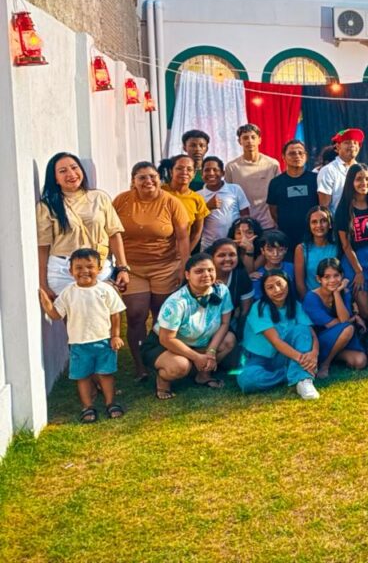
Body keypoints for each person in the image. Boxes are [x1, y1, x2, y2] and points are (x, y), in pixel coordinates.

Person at [113, 161, 191, 380]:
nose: (148, 181)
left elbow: (183, 238)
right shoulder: (121, 201)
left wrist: (184, 268)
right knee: (136, 314)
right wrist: (119, 266)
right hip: (132, 267)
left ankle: (160, 357)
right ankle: (140, 366)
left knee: (162, 316)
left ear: (159, 178)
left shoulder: (171, 202)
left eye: (152, 176)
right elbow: (110, 231)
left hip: (165, 267)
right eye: (142, 177)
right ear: (133, 181)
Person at [37, 248, 125, 422]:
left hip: (104, 342)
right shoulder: (68, 293)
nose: (84, 271)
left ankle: (110, 402)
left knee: (105, 374)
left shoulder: (106, 290)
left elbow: (116, 313)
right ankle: (87, 407)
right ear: (71, 271)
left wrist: (115, 336)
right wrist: (46, 304)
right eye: (78, 268)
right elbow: (56, 315)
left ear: (99, 269)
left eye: (90, 267)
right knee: (82, 376)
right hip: (78, 344)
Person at [140, 253, 237, 400]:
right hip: (164, 345)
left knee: (229, 340)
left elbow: (225, 323)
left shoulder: (222, 291)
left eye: (210, 270)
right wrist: (196, 357)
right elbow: (166, 339)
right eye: (199, 271)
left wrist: (211, 352)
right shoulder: (176, 302)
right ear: (187, 275)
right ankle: (163, 381)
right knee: (180, 366)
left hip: (201, 342)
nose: (206, 275)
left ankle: (203, 375)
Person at [36, 152, 129, 299]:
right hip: (63, 271)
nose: (71, 174)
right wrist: (42, 283)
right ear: (55, 178)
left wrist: (122, 268)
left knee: (103, 317)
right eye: (63, 171)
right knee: (75, 319)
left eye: (74, 167)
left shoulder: (99, 197)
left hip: (98, 268)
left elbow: (114, 234)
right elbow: (43, 247)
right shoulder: (47, 206)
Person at [236, 269, 320, 400]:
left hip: (286, 355)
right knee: (247, 380)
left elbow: (311, 334)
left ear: (287, 283)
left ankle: (303, 381)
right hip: (259, 358)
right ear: (265, 291)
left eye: (279, 284)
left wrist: (314, 354)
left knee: (301, 330)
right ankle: (293, 374)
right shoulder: (259, 308)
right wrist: (303, 360)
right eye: (270, 287)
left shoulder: (295, 305)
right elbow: (275, 341)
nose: (277, 290)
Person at [334, 164, 368, 320]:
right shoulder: (344, 207)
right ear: (351, 181)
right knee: (366, 309)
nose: (363, 183)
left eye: (367, 179)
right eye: (359, 179)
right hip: (355, 261)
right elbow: (345, 244)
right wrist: (358, 271)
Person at [301, 257, 366, 377]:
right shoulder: (311, 298)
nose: (332, 280)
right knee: (348, 328)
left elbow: (343, 320)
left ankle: (334, 355)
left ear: (342, 276)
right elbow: (340, 324)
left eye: (336, 275)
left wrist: (336, 293)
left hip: (339, 339)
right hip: (318, 342)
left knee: (360, 361)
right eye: (327, 277)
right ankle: (325, 364)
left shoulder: (344, 292)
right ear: (318, 279)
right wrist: (355, 318)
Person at [267, 140, 319, 253]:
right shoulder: (276, 183)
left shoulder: (316, 179)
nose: (297, 156)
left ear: (306, 156)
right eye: (292, 153)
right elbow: (273, 211)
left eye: (300, 153)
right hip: (287, 237)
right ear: (283, 157)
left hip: (313, 235)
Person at [224, 124, 280, 230]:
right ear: (239, 142)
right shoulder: (232, 167)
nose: (249, 141)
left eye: (253, 137)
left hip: (269, 224)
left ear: (259, 140)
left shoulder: (272, 164)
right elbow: (229, 197)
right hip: (243, 225)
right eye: (245, 138)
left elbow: (278, 194)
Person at [197, 156, 250, 250]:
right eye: (207, 170)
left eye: (215, 170)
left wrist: (243, 237)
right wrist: (207, 207)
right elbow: (195, 223)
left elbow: (245, 215)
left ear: (222, 173)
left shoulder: (235, 189)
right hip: (209, 245)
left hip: (235, 243)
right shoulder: (198, 196)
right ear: (202, 173)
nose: (211, 173)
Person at [160, 154, 210, 253]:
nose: (184, 172)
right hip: (156, 252)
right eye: (179, 168)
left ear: (194, 174)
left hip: (180, 253)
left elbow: (196, 233)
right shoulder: (159, 192)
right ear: (171, 172)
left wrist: (185, 255)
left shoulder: (197, 199)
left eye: (189, 169)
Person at [207, 237, 254, 339]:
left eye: (232, 255)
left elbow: (245, 309)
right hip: (198, 323)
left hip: (226, 324)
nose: (227, 259)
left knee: (229, 340)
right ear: (212, 257)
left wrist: (240, 334)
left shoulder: (241, 276)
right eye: (221, 255)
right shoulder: (204, 275)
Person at [293, 206, 341, 298]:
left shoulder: (338, 247)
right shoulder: (301, 249)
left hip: (336, 298)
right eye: (314, 222)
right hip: (312, 299)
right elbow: (300, 284)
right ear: (309, 225)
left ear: (330, 224)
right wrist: (310, 302)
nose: (319, 225)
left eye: (323, 221)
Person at [317, 128, 364, 214]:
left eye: (355, 143)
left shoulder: (363, 170)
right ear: (337, 147)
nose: (352, 146)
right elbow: (324, 207)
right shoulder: (328, 170)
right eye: (347, 142)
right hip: (340, 224)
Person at [250, 230, 296, 301]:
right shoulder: (258, 276)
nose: (275, 254)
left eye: (280, 250)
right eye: (270, 250)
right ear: (262, 251)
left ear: (286, 250)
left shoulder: (293, 268)